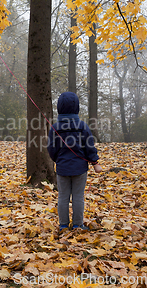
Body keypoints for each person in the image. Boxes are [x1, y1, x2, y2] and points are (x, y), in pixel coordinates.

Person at [47, 92, 102, 231]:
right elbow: (89, 146)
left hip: (62, 168)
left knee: (63, 198)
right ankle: (78, 225)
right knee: (78, 197)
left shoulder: (54, 128)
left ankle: (63, 225)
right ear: (76, 107)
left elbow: (51, 148)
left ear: (59, 107)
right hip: (79, 169)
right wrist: (95, 162)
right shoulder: (82, 126)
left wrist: (57, 160)